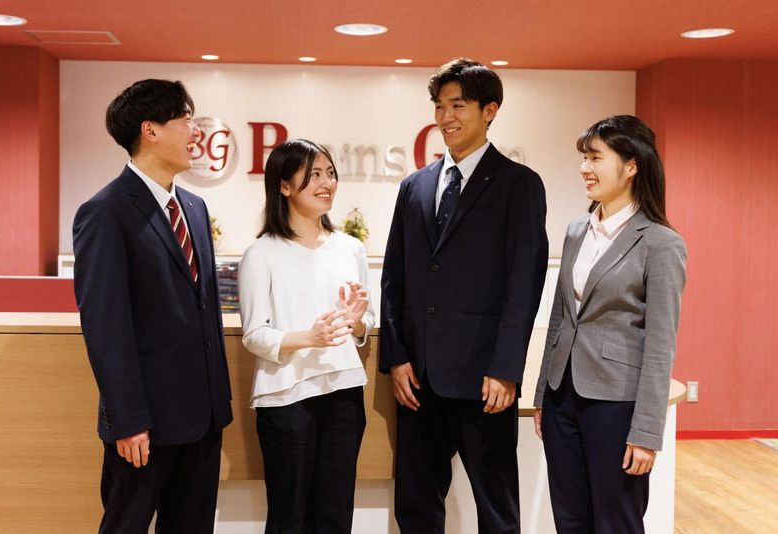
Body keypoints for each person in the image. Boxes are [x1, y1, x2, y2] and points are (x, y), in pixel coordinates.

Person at [380, 58, 548, 533]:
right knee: (416, 506)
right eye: (439, 106)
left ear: (489, 110)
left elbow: (524, 284)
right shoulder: (414, 186)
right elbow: (394, 278)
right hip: (419, 380)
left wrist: (506, 368)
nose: (446, 117)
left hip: (484, 380)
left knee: (496, 509)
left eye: (458, 105)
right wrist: (397, 357)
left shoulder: (519, 184)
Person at [73, 79, 233, 533]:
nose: (196, 132)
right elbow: (106, 327)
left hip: (203, 417)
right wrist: (128, 420)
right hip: (144, 424)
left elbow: (204, 311)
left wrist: (217, 403)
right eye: (186, 120)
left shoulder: (194, 208)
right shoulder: (105, 211)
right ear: (151, 130)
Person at [533, 115, 687, 533]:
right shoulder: (576, 230)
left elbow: (660, 345)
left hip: (617, 406)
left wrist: (647, 432)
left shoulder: (661, 243)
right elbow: (560, 317)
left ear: (631, 165)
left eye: (596, 158)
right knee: (569, 520)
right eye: (584, 157)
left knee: (617, 522)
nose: (585, 167)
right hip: (563, 398)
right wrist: (543, 394)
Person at [238, 139, 375, 533]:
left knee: (335, 516)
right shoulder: (261, 253)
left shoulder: (350, 248)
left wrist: (358, 321)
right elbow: (254, 334)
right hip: (286, 396)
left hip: (344, 393)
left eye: (330, 173)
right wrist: (308, 338)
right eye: (313, 174)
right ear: (284, 186)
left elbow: (366, 322)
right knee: (289, 517)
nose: (326, 183)